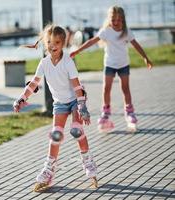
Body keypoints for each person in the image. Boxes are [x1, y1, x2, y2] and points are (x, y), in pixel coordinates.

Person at [13, 24, 98, 192]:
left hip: (75, 100)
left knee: (76, 130)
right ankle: (49, 169)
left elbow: (76, 86)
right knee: (56, 135)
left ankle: (88, 161)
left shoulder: (68, 62)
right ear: (46, 43)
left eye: (57, 42)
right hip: (59, 103)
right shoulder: (44, 63)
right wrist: (22, 98)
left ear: (63, 44)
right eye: (50, 42)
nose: (53, 46)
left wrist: (82, 107)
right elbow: (34, 83)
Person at [70, 5, 153, 133]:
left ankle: (130, 112)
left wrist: (145, 58)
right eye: (113, 20)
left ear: (123, 20)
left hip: (123, 64)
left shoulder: (126, 32)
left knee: (125, 89)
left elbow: (136, 45)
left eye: (118, 20)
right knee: (106, 89)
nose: (115, 23)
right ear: (109, 20)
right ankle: (105, 113)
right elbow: (92, 41)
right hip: (109, 64)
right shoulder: (106, 31)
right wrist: (78, 50)